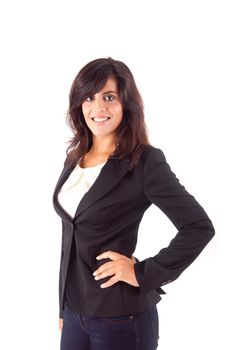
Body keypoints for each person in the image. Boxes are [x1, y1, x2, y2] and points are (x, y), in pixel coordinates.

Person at [52, 57, 215, 350]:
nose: (98, 108)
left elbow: (198, 227)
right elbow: (70, 237)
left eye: (109, 97)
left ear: (126, 104)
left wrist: (142, 273)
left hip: (121, 316)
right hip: (75, 312)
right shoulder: (75, 158)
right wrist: (63, 305)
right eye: (89, 97)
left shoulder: (144, 162)